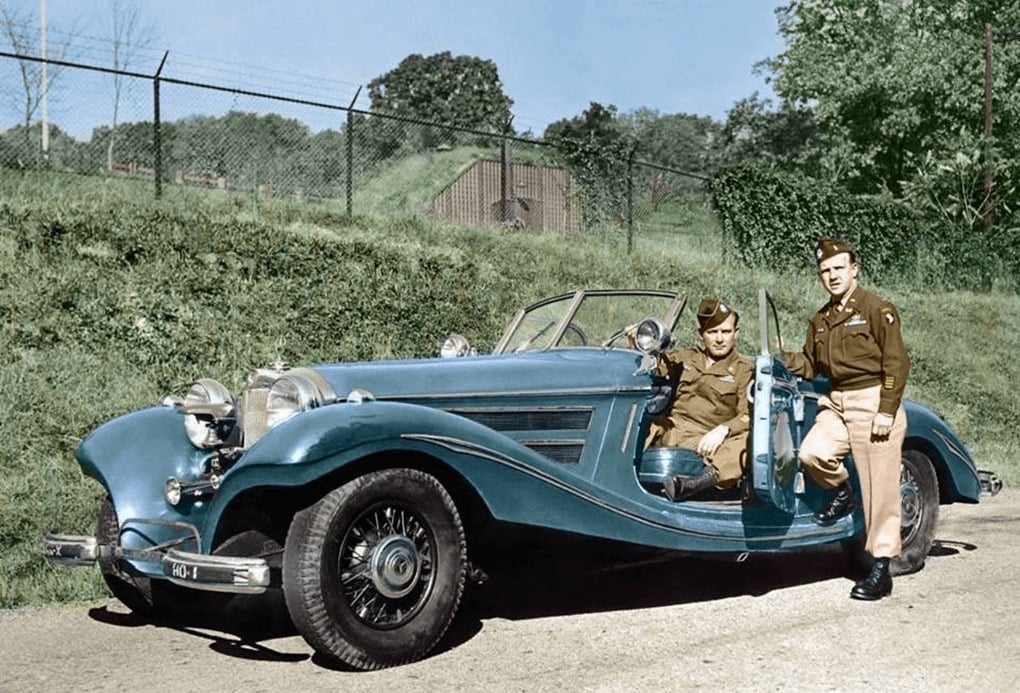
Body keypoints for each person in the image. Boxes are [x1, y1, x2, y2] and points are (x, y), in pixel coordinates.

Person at [784, 236, 911, 601]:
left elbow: (896, 362)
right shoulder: (821, 320)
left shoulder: (876, 309)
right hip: (836, 399)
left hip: (872, 400)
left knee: (880, 490)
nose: (832, 276)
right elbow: (811, 364)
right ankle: (843, 492)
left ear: (854, 269)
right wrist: (782, 359)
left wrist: (886, 409)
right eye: (825, 271)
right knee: (812, 453)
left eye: (838, 268)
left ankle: (881, 569)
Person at [646, 298, 754, 501]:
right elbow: (654, 367)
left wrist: (723, 430)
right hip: (671, 430)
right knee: (634, 421)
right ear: (701, 335)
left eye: (726, 331)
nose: (720, 339)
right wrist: (640, 343)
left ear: (736, 334)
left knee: (749, 442)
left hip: (708, 441)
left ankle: (692, 484)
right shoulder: (687, 358)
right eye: (712, 332)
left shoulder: (744, 369)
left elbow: (748, 415)